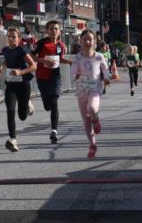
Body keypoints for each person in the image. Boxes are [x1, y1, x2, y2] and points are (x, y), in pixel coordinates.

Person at [72, 29, 111, 159]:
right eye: (85, 40)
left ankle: (96, 119)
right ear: (81, 41)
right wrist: (75, 75)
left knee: (92, 108)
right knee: (86, 121)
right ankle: (92, 144)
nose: (87, 42)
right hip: (82, 91)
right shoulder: (77, 57)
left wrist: (106, 78)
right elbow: (73, 73)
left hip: (95, 89)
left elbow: (106, 70)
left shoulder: (99, 56)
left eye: (90, 39)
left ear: (94, 41)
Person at [0, 27, 36, 152]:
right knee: (10, 110)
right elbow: (8, 61)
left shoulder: (22, 50)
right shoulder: (5, 50)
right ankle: (13, 139)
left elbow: (33, 66)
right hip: (11, 85)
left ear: (19, 39)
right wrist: (1, 67)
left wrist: (20, 72)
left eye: (14, 37)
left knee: (22, 116)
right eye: (9, 36)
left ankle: (27, 102)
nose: (11, 39)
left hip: (23, 85)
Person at [32, 20, 70, 144]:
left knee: (54, 101)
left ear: (59, 31)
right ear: (47, 31)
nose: (54, 31)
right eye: (51, 29)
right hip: (42, 77)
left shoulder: (61, 46)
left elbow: (60, 59)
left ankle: (54, 131)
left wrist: (70, 62)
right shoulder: (41, 43)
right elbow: (31, 56)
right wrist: (43, 61)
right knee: (47, 104)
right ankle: (45, 100)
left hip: (55, 77)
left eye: (56, 29)